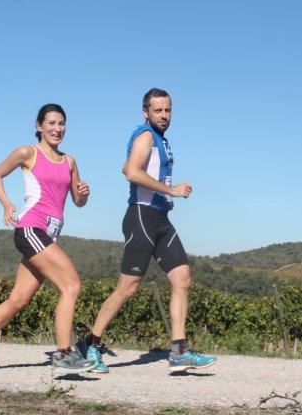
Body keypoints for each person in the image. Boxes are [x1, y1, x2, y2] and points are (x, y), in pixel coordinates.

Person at [77, 88, 217, 373]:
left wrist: (145, 177)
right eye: (158, 110)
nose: (164, 115)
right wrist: (171, 190)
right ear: (146, 112)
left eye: (168, 110)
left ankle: (179, 351)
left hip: (160, 219)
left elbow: (127, 168)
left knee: (183, 279)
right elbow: (131, 172)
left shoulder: (159, 140)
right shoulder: (145, 136)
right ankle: (90, 344)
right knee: (127, 289)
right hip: (141, 216)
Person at [0, 104, 95, 374]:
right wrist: (6, 204)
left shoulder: (69, 162)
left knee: (19, 299)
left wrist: (84, 194)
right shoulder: (28, 153)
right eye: (51, 123)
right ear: (39, 126)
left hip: (49, 235)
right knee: (71, 286)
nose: (57, 129)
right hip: (31, 229)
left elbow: (77, 202)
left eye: (61, 123)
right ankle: (63, 353)